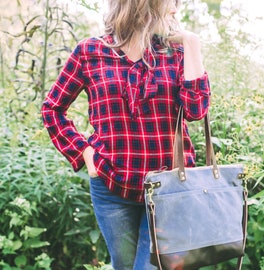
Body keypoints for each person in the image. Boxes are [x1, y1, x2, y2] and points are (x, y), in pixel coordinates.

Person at [41, 0, 210, 269]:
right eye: (171, 3)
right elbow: (52, 109)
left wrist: (191, 43)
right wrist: (85, 154)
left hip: (168, 189)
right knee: (124, 265)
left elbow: (195, 109)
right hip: (111, 188)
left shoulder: (176, 51)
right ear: (144, 6)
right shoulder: (89, 52)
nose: (176, 10)